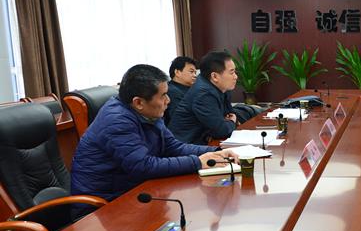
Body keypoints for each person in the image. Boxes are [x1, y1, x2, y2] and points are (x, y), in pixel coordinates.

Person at [70, 64, 238, 205]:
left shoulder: (147, 112)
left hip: (134, 190)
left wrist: (216, 152)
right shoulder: (116, 121)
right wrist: (198, 162)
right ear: (138, 102)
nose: (168, 100)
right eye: (163, 95)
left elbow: (173, 147)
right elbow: (143, 166)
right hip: (103, 205)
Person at [169, 51, 239, 145]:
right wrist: (232, 121)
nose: (236, 77)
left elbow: (229, 114)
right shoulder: (204, 94)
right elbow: (221, 130)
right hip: (186, 146)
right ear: (214, 76)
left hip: (204, 140)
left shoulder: (220, 87)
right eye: (232, 72)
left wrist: (229, 121)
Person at [164, 56, 197, 125]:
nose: (195, 75)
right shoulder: (172, 91)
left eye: (195, 72)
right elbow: (181, 119)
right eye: (191, 71)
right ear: (177, 72)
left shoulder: (190, 89)